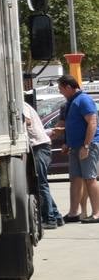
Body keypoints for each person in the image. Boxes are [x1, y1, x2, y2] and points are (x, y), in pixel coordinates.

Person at [56, 75, 99, 224]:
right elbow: (70, 125)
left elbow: (92, 122)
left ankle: (96, 213)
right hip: (75, 147)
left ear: (68, 87)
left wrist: (86, 146)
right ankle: (73, 213)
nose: (60, 92)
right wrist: (67, 143)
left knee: (90, 178)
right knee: (75, 179)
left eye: (61, 89)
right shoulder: (70, 102)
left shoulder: (84, 100)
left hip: (87, 146)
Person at [23, 100, 63, 229]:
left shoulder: (22, 105)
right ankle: (56, 216)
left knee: (41, 183)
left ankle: (49, 219)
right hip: (41, 146)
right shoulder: (25, 105)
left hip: (39, 147)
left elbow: (27, 121)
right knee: (41, 183)